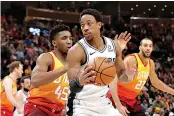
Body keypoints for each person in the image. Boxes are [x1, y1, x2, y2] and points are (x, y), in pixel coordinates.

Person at [66, 8, 132, 116]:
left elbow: (120, 76)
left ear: (99, 24)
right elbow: (72, 86)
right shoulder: (76, 51)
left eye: (89, 23)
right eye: (82, 25)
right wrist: (80, 82)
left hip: (103, 103)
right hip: (81, 105)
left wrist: (128, 76)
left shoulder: (114, 46)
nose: (85, 28)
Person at [107, 38, 174, 116]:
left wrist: (172, 91)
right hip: (118, 97)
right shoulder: (132, 59)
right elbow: (113, 80)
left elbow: (156, 82)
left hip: (131, 99)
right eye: (145, 45)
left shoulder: (151, 63)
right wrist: (118, 104)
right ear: (140, 47)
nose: (148, 48)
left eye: (150, 46)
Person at [24, 24, 73, 116]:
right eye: (64, 38)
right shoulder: (47, 58)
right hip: (38, 108)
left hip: (58, 111)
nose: (69, 41)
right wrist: (64, 69)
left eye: (70, 38)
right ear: (54, 43)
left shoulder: (73, 63)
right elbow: (35, 80)